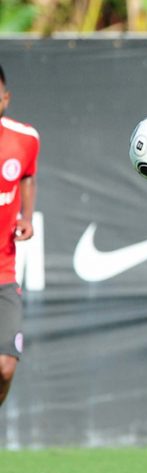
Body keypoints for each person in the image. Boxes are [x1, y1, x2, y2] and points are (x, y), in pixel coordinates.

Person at [0, 65, 40, 407]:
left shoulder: (24, 139)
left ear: (5, 98)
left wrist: (26, 217)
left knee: (5, 366)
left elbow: (27, 176)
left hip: (4, 272)